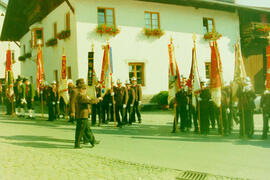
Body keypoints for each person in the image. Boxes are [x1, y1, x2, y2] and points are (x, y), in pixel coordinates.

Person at [74, 83, 101, 149]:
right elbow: (89, 101)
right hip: (82, 115)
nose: (85, 90)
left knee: (87, 129)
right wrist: (97, 100)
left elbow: (88, 102)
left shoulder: (82, 95)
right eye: (84, 89)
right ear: (81, 90)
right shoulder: (81, 96)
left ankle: (92, 141)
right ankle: (77, 145)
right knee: (80, 131)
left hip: (84, 115)